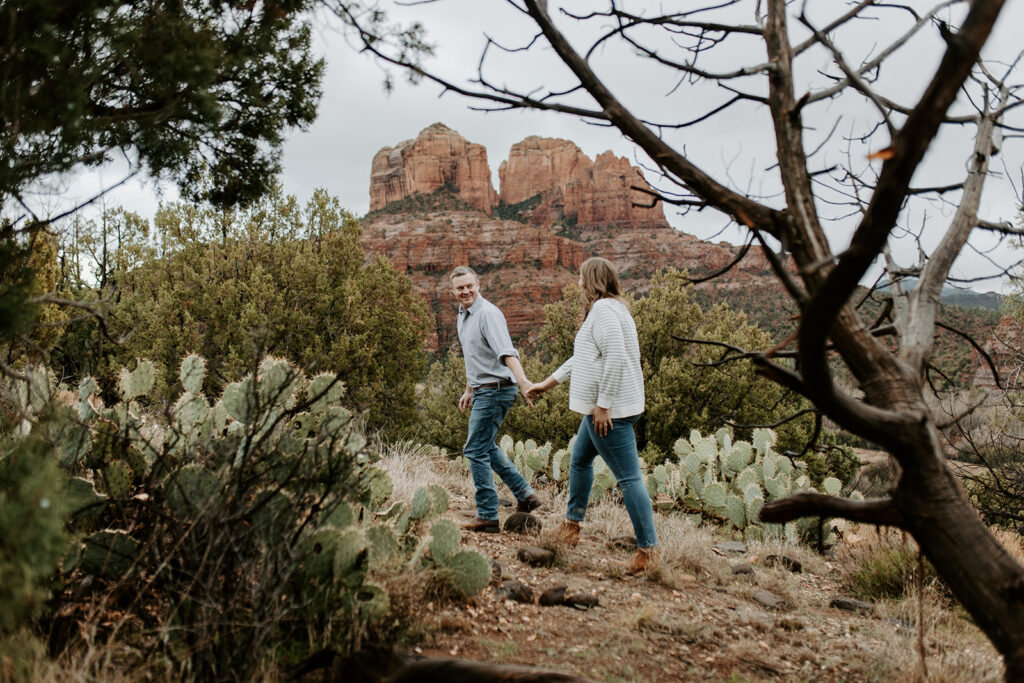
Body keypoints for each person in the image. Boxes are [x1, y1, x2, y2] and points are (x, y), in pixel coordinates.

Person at [527, 257, 658, 573]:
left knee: (628, 478)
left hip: (610, 412)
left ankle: (647, 553)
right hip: (609, 407)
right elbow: (582, 359)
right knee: (580, 459)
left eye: (580, 277)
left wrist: (603, 405)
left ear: (592, 280)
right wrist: (546, 384)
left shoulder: (603, 311)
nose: (578, 283)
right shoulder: (614, 308)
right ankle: (572, 526)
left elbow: (614, 357)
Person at [450, 265, 542, 532]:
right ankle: (525, 494)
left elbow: (506, 352)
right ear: (452, 291)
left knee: (475, 449)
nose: (466, 291)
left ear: (479, 284)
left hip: (497, 389)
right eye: (460, 288)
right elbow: (474, 357)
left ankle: (488, 515)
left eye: (470, 285)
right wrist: (469, 389)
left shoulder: (488, 314)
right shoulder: (463, 315)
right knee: (485, 445)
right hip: (483, 388)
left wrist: (523, 381)